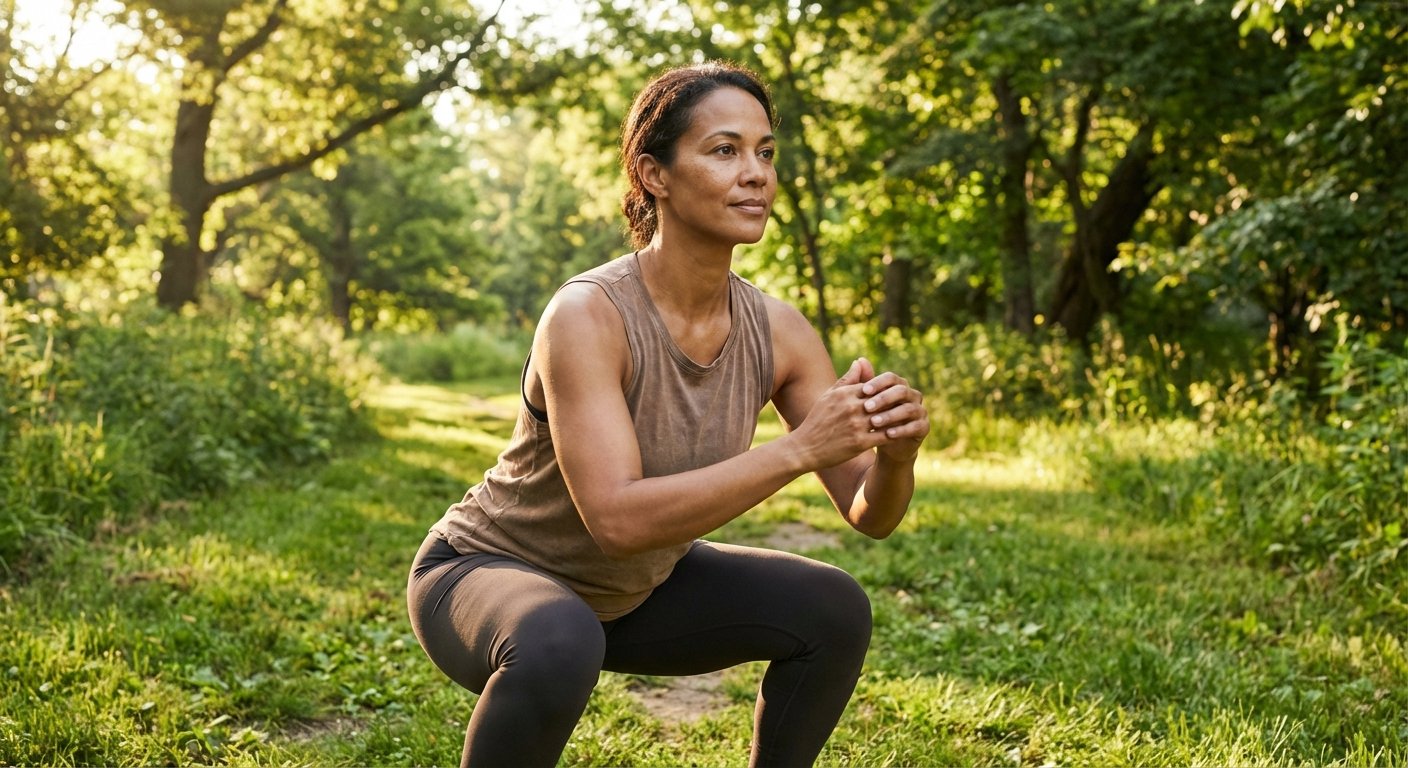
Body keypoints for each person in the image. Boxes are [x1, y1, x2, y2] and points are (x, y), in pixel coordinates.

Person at [406, 60, 930, 768]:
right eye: (724, 150)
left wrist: (896, 455)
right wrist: (799, 450)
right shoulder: (590, 313)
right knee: (561, 639)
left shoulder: (780, 332)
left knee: (832, 607)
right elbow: (617, 520)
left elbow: (872, 514)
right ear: (654, 175)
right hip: (486, 576)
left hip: (630, 598)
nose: (756, 173)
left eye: (765, 152)